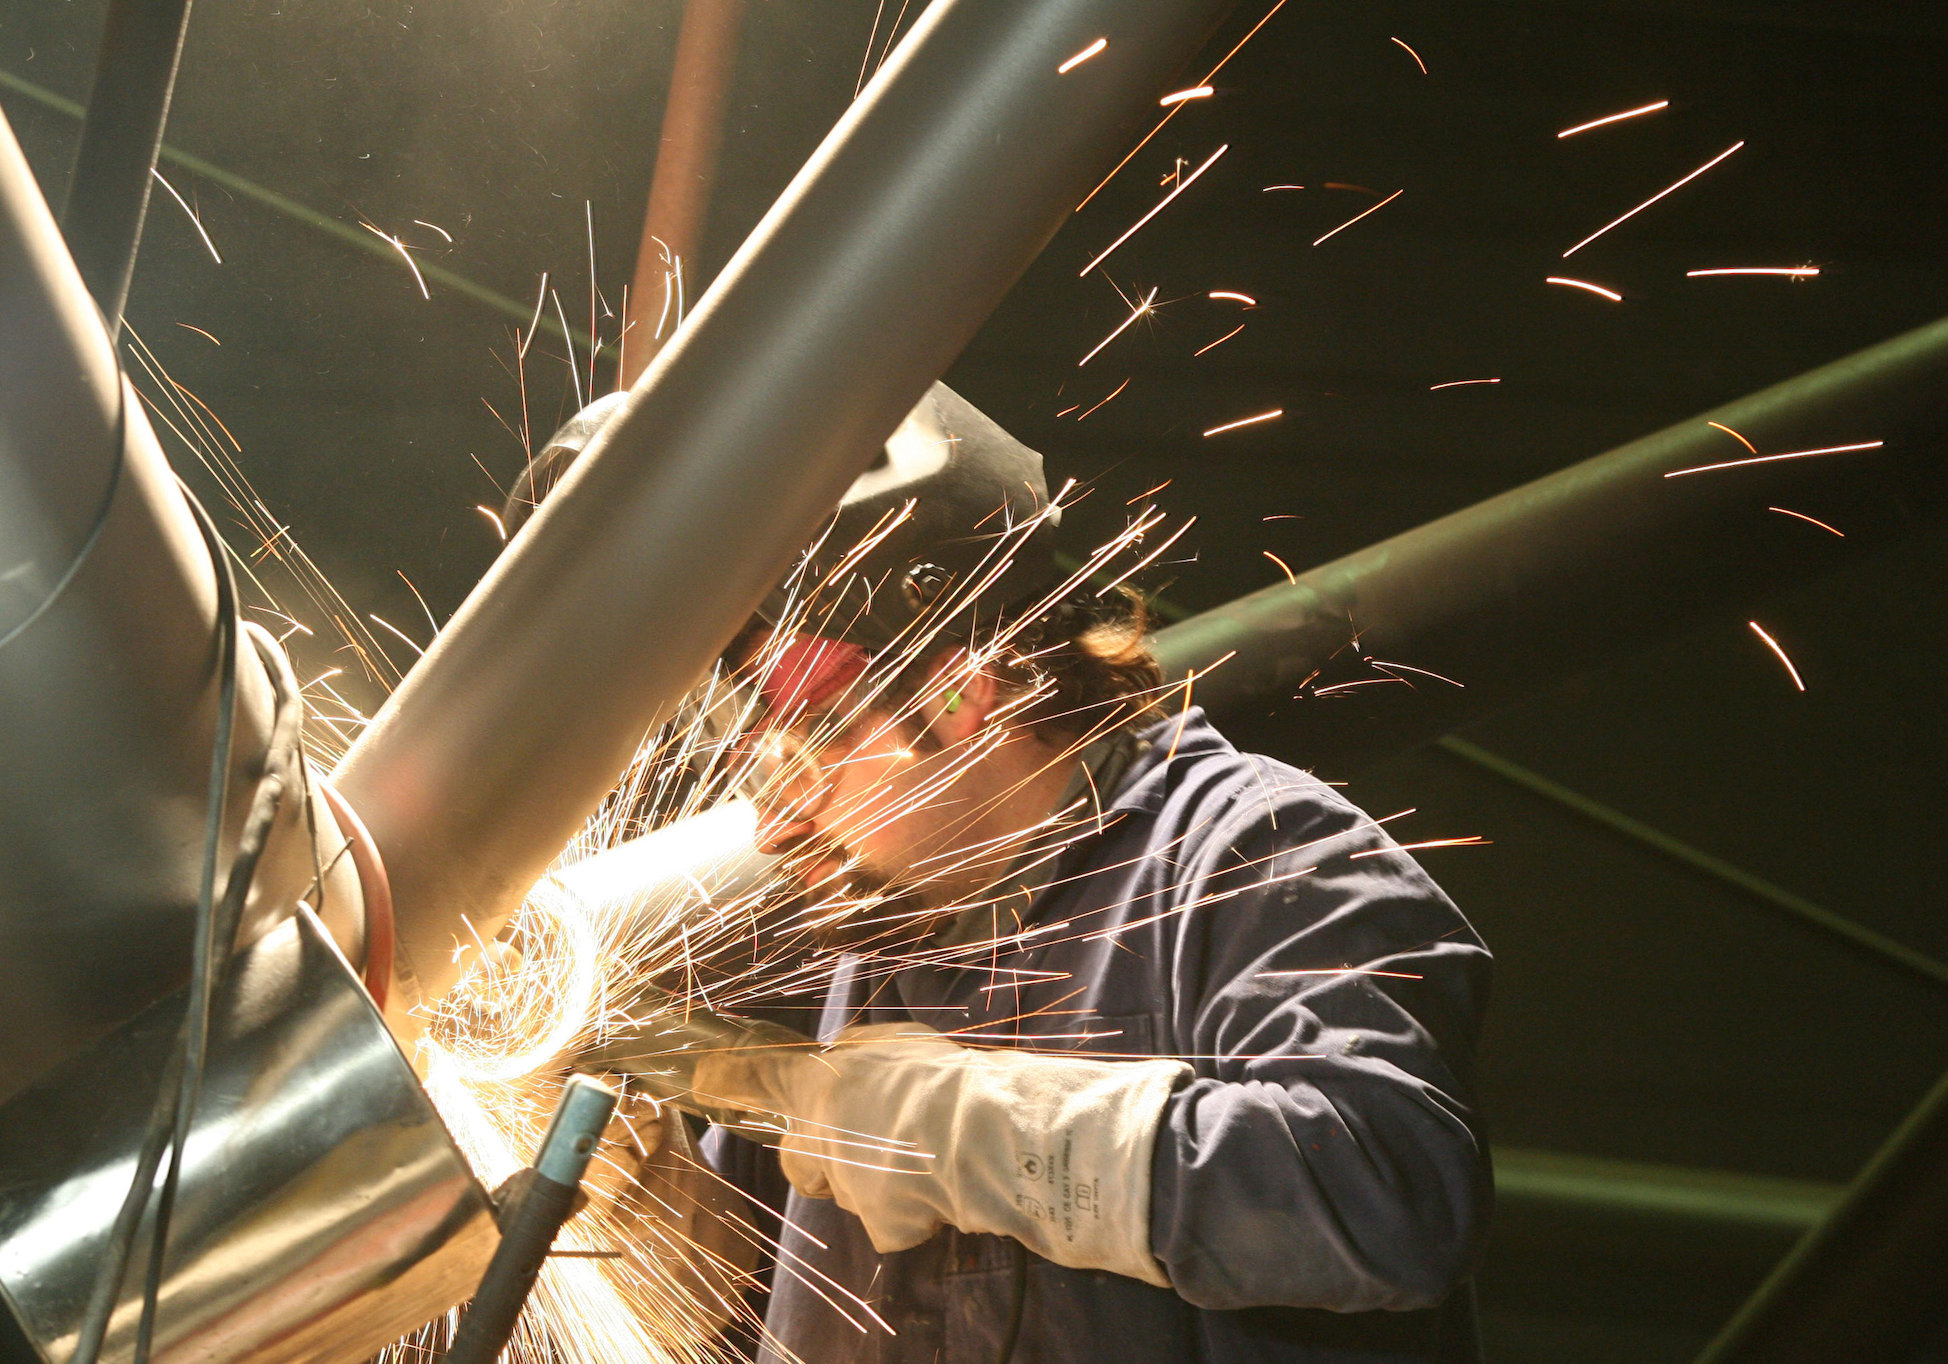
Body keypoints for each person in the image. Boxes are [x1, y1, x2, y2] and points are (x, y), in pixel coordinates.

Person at [506, 383, 1493, 1364]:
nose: (774, 820)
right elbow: (742, 1305)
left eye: (808, 741)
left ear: (961, 680)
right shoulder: (854, 945)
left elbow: (1395, 1188)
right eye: (751, 754)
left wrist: (978, 1133)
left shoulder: (1257, 859)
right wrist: (661, 1211)